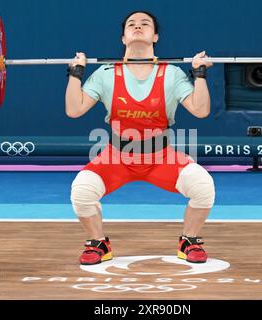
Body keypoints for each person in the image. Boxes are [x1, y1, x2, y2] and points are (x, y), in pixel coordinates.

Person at [65, 11, 215, 265]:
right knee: (81, 191)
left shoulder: (172, 74)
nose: (137, 27)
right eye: (131, 25)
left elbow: (200, 111)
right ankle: (98, 242)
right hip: (116, 157)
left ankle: (189, 240)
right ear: (123, 37)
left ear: (155, 36)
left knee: (203, 186)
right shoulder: (105, 73)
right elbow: (74, 109)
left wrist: (199, 75)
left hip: (161, 157)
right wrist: (74, 74)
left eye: (145, 24)